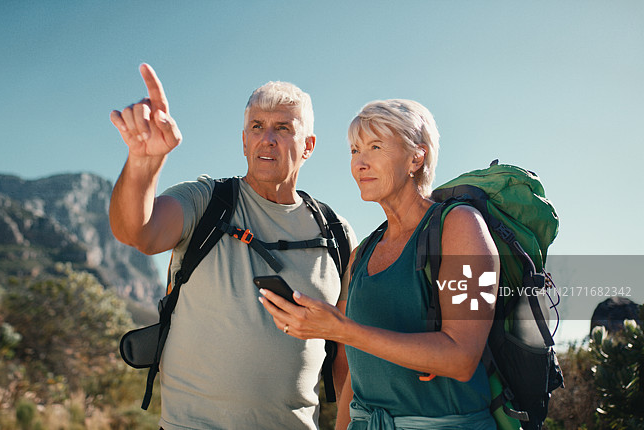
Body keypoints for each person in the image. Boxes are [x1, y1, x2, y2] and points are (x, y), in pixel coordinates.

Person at [108, 63, 357, 430]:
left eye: (283, 128)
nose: (267, 138)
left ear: (309, 146)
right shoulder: (206, 200)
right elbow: (137, 232)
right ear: (244, 141)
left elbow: (345, 348)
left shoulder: (336, 232)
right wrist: (144, 163)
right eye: (257, 126)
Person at [260, 99, 500, 429]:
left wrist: (343, 330)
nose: (360, 163)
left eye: (375, 146)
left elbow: (462, 357)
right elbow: (355, 377)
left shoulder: (460, 227)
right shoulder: (361, 255)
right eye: (355, 150)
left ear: (417, 156)